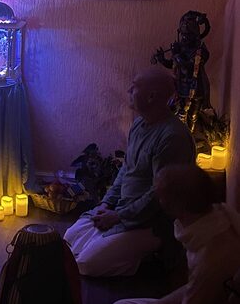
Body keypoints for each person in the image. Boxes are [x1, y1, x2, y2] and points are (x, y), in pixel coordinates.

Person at [63, 67, 195, 277]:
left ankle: (148, 256)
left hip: (151, 222)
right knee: (69, 238)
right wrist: (106, 204)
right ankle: (113, 243)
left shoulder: (172, 137)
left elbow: (158, 195)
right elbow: (127, 169)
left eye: (134, 87)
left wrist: (117, 216)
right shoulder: (139, 124)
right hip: (122, 209)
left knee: (87, 264)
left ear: (151, 96)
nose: (128, 90)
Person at [86, 164, 240, 304]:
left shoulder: (211, 258)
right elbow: (194, 288)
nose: (158, 200)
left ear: (178, 205)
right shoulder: (217, 214)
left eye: (161, 197)